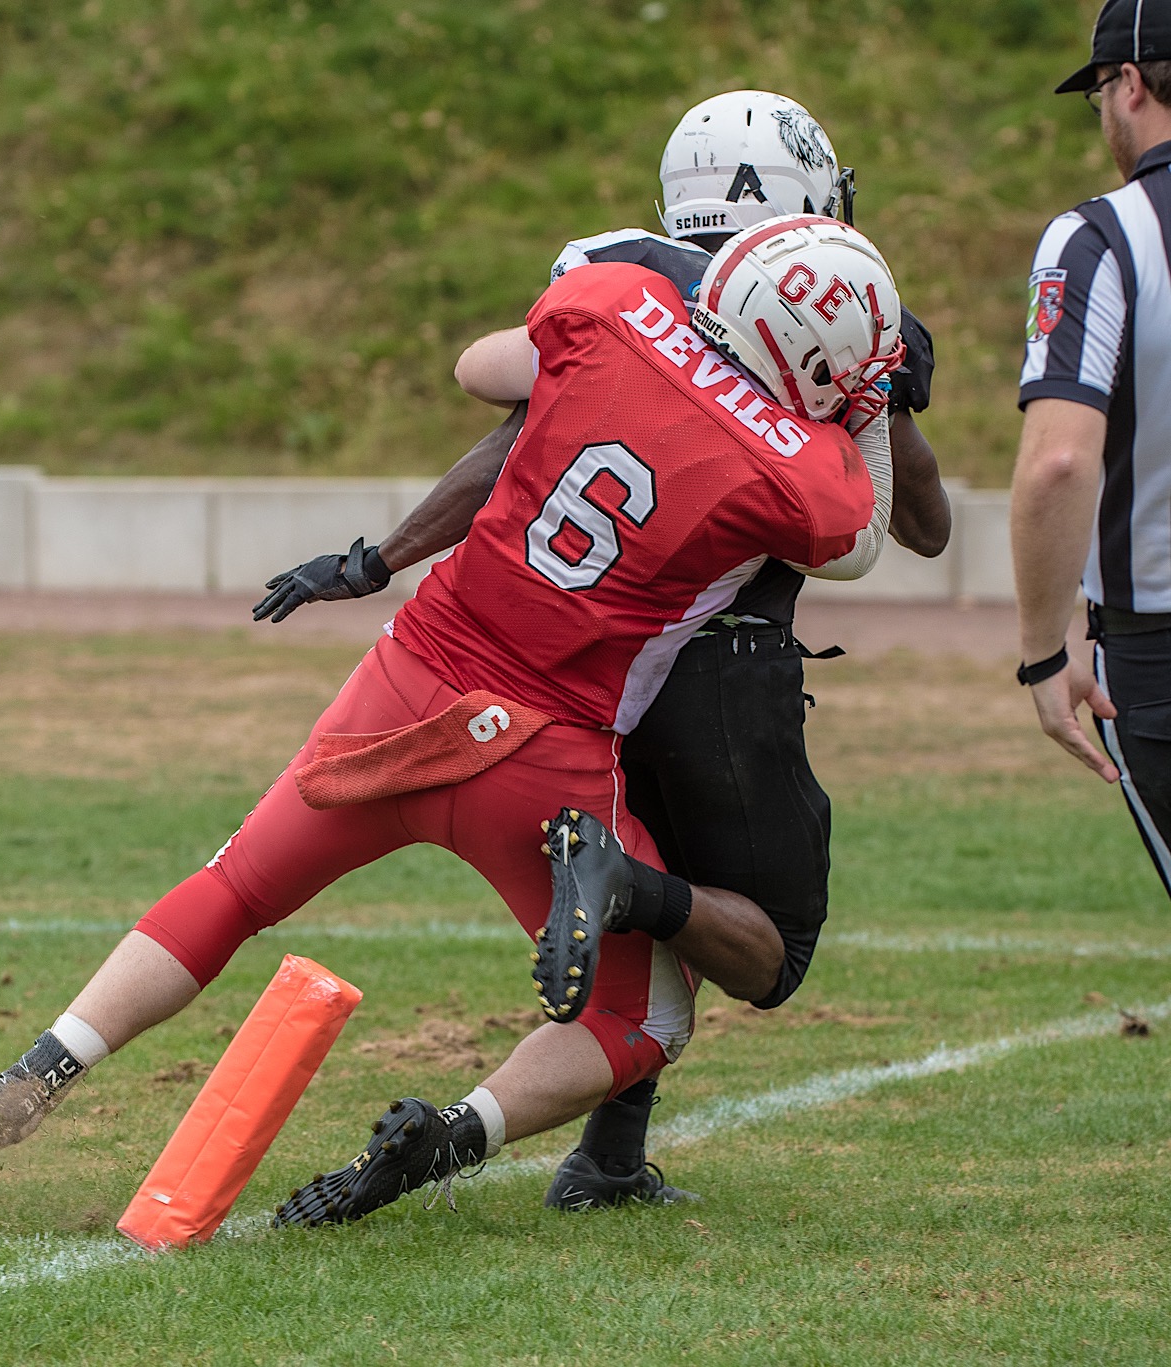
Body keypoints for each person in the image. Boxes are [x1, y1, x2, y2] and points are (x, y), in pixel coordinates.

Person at [0, 217, 903, 1231]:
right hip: (547, 750)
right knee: (645, 1015)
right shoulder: (796, 464)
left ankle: (37, 1070)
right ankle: (458, 1128)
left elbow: (480, 369)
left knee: (236, 883)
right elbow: (862, 538)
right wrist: (860, 408)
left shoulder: (613, 304)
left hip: (407, 674)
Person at [255, 91, 953, 1211]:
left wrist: (380, 555)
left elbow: (510, 429)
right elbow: (905, 530)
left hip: (579, 668)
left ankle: (605, 1156)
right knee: (760, 948)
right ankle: (608, 940)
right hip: (723, 673)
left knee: (644, 957)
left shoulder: (613, 275)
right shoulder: (836, 301)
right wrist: (881, 397)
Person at [1012, 0, 1171, 891]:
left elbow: (1060, 460)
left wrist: (1043, 647)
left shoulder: (1101, 239)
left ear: (1133, 85)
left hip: (1157, 647)